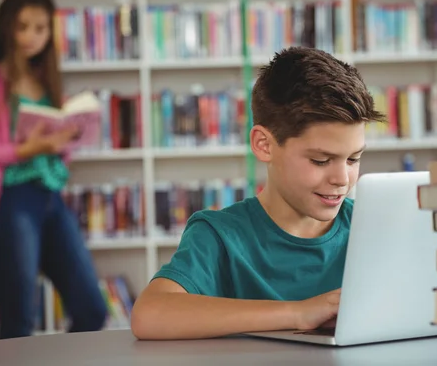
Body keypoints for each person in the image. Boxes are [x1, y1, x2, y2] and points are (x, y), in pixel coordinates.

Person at [130, 46, 386, 340]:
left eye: (353, 159)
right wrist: (298, 313)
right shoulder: (219, 236)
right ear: (264, 145)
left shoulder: (370, 227)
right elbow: (149, 315)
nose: (343, 179)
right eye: (320, 160)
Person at [0, 0, 108, 339]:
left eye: (40, 28)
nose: (30, 36)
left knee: (92, 309)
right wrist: (26, 149)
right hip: (7, 200)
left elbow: (56, 149)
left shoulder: (45, 78)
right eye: (22, 26)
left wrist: (63, 141)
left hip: (49, 196)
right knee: (19, 319)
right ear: (7, 26)